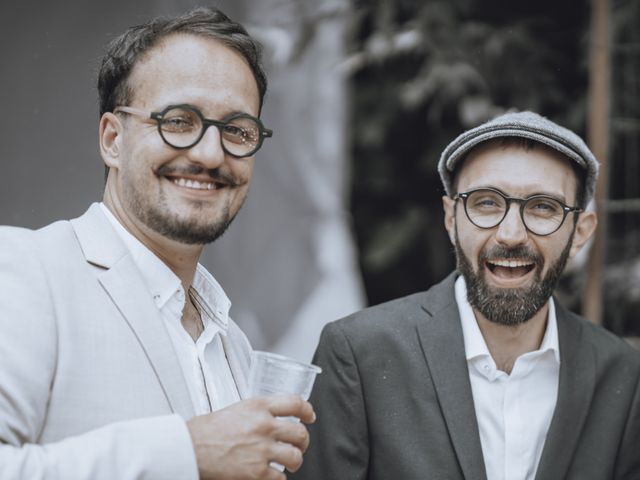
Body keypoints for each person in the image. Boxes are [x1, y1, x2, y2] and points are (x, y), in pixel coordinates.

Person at [0, 7, 315, 480]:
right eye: (179, 120)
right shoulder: (25, 271)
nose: (211, 154)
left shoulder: (233, 344)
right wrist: (188, 452)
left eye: (237, 131)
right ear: (112, 139)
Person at [292, 111, 640, 480]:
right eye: (486, 203)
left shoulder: (624, 375)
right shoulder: (359, 353)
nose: (510, 235)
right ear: (451, 218)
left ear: (580, 232)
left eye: (542, 207)